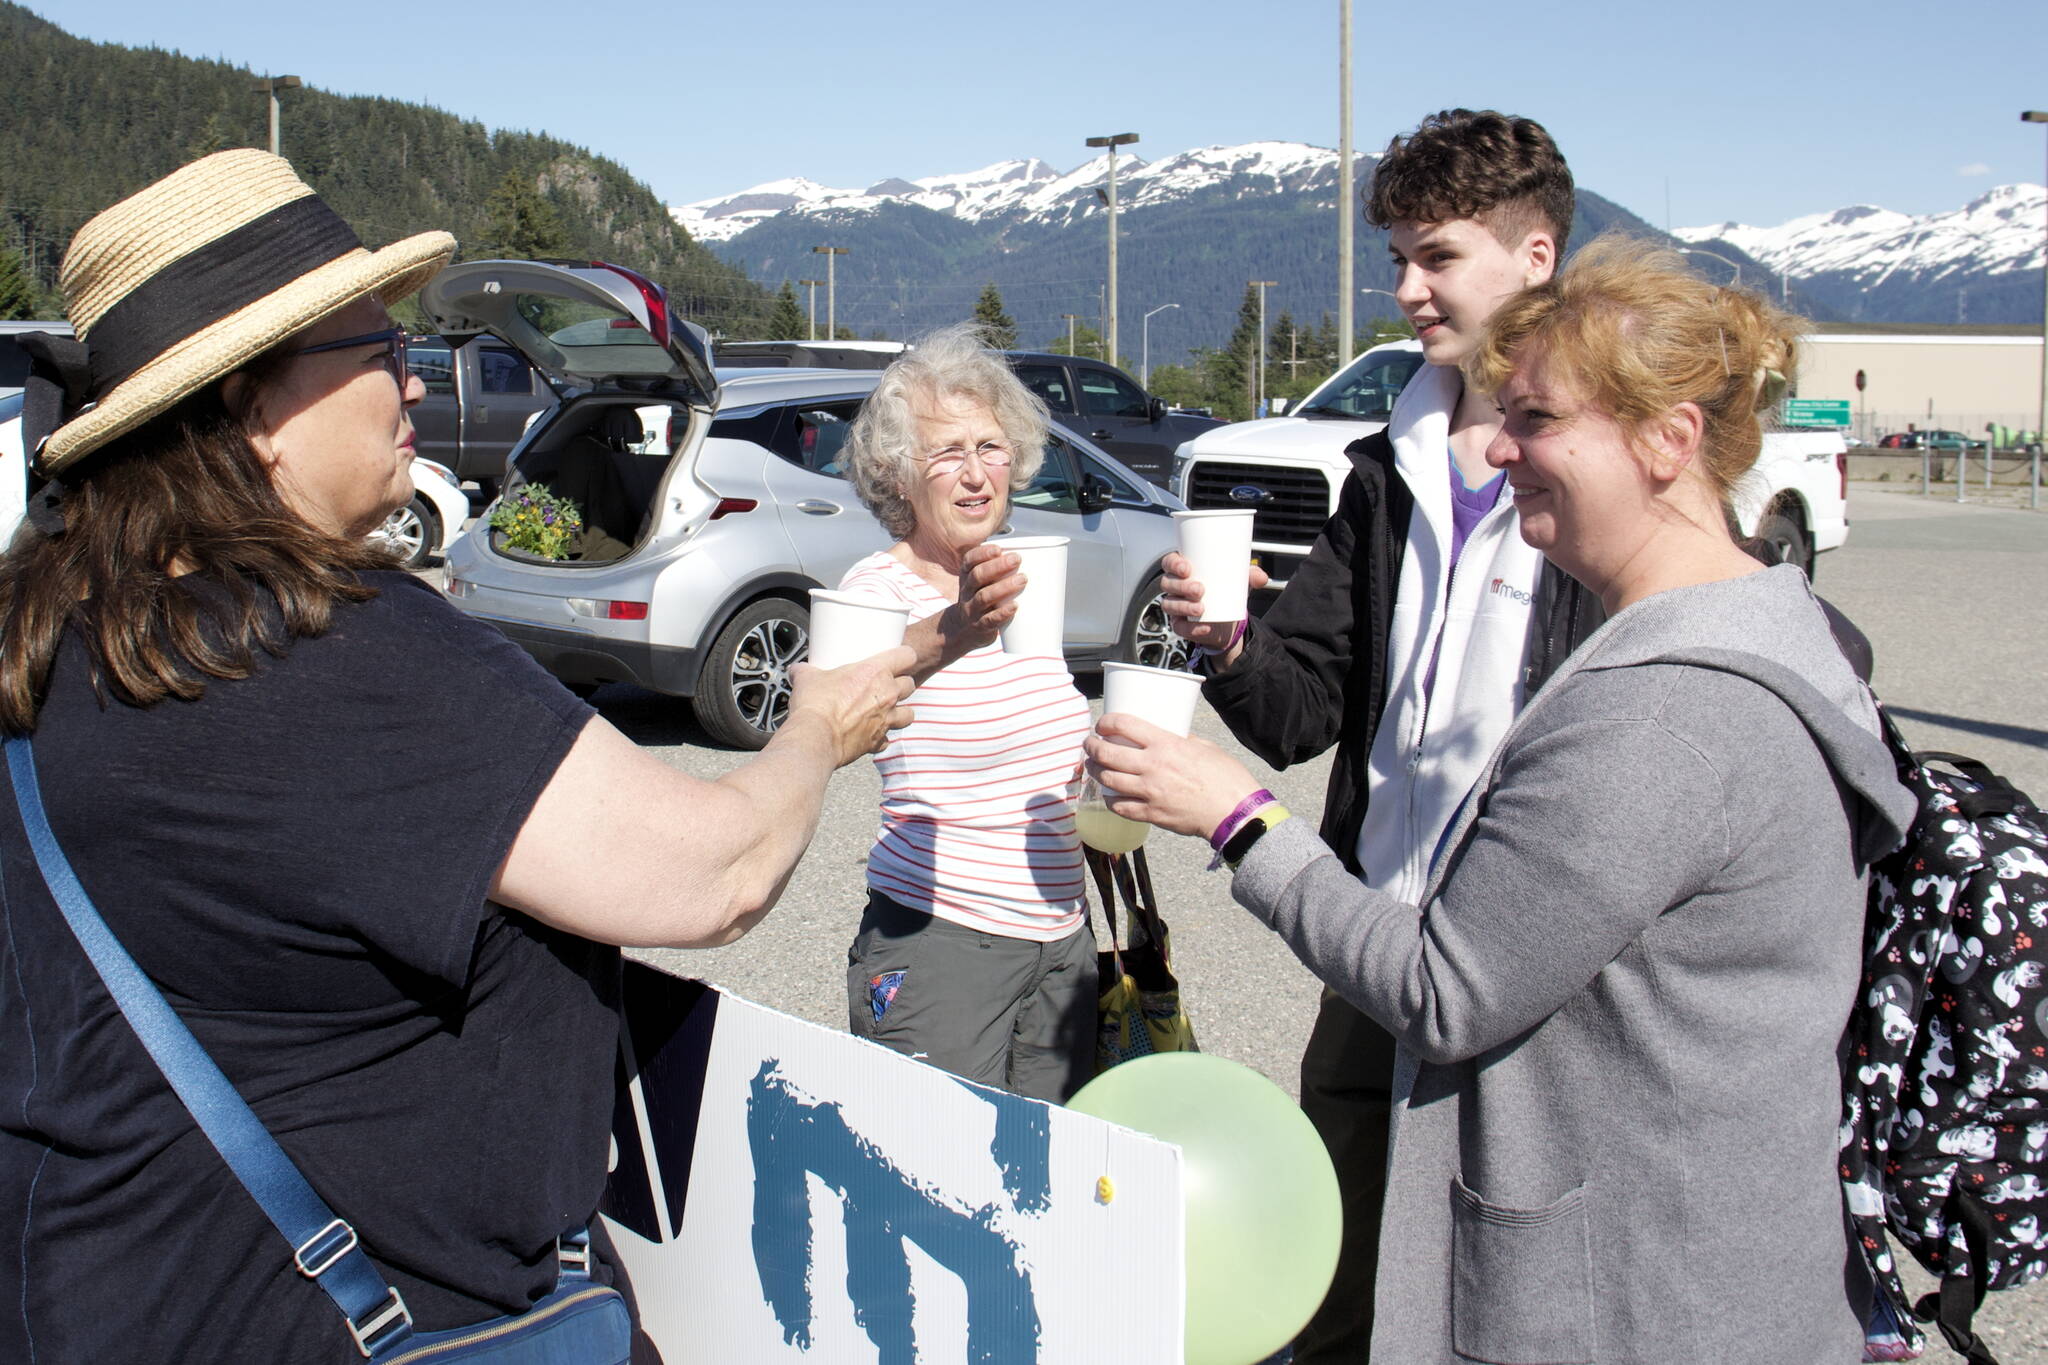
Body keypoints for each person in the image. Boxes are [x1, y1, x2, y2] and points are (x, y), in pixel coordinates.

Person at [0, 149, 915, 1362]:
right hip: (350, 1320)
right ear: (249, 409)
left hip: (107, 1283)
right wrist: (818, 729)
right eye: (378, 356)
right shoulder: (320, 651)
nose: (415, 390)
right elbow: (714, 872)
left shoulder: (60, 620)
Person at [1090, 237, 1917, 1363]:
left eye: (1536, 420)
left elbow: (1443, 989)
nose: (1501, 449)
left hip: (1634, 1300)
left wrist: (1241, 820)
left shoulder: (1657, 719)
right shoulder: (1770, 633)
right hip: (1709, 1265)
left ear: (1667, 442)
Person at [1158, 108, 1600, 1359]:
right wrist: (1231, 638)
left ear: (1534, 254)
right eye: (1396, 257)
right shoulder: (1385, 465)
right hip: (1376, 938)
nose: (1404, 290)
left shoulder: (1600, 468)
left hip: (1534, 954)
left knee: (1506, 1272)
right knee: (1341, 1274)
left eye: (1435, 257)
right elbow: (1298, 711)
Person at [836, 324, 1099, 1104]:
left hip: (1062, 944)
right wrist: (958, 626)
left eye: (991, 447)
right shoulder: (875, 592)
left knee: (1042, 1187)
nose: (978, 473)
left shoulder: (1023, 583)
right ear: (898, 473)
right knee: (929, 1190)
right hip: (941, 940)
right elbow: (848, 692)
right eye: (948, 451)